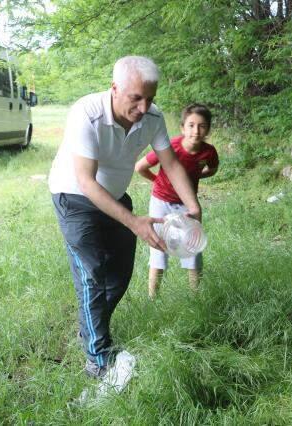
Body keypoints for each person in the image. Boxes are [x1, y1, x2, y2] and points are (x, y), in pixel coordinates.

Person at [48, 56, 201, 379]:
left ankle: (90, 330)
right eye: (136, 98)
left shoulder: (152, 118)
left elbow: (170, 163)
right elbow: (87, 181)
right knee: (91, 274)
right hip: (74, 197)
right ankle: (98, 359)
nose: (144, 107)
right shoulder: (86, 114)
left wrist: (192, 203)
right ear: (115, 89)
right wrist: (134, 221)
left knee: (119, 274)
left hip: (116, 197)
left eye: (150, 98)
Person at [135, 104, 219, 299]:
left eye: (202, 126)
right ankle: (152, 299)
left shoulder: (209, 152)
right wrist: (159, 181)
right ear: (182, 127)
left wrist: (196, 177)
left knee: (192, 247)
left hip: (187, 206)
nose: (196, 131)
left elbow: (213, 169)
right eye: (191, 125)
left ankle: (195, 297)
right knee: (158, 249)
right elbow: (140, 167)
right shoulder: (170, 147)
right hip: (161, 203)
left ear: (208, 129)